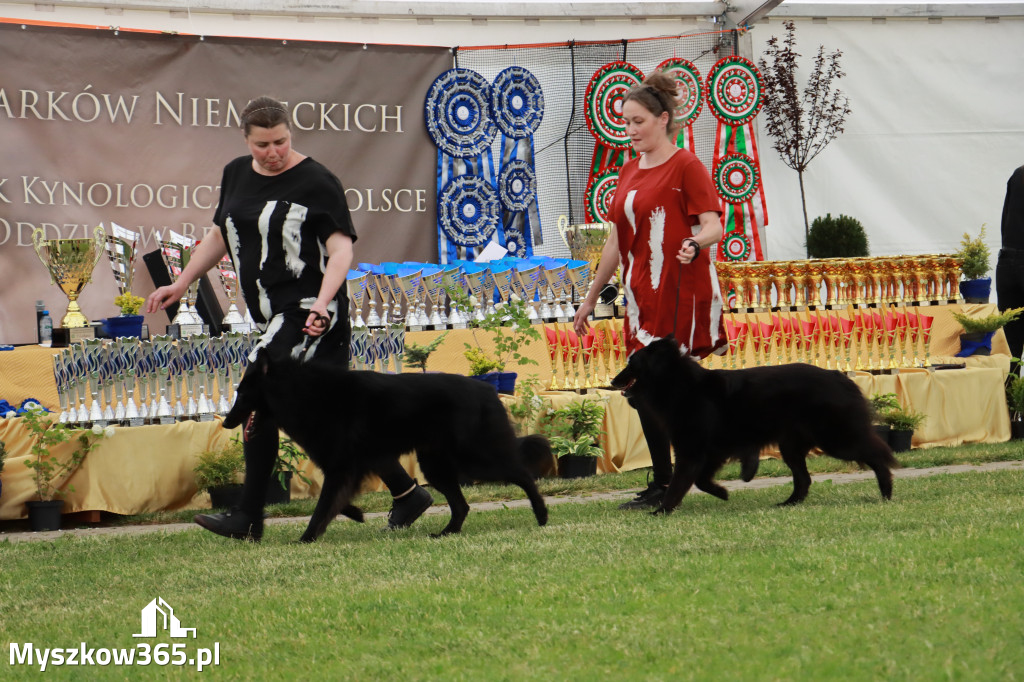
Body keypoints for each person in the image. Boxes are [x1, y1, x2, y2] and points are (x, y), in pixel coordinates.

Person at [145, 96, 432, 541]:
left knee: (259, 387)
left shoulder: (317, 181)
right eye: (262, 145)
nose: (273, 152)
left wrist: (321, 302)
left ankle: (247, 516)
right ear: (246, 140)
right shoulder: (235, 173)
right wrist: (182, 283)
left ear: (289, 133)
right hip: (272, 315)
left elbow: (342, 251)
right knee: (333, 419)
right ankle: (407, 492)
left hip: (311, 312)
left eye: (281, 141)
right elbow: (221, 233)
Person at [573, 72, 726, 510]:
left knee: (651, 391)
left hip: (679, 291)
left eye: (637, 121)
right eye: (625, 123)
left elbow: (714, 224)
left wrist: (695, 242)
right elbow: (618, 240)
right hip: (641, 294)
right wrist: (591, 296)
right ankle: (671, 478)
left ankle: (670, 481)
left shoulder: (687, 167)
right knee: (644, 393)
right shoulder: (628, 169)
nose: (630, 131)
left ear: (663, 119)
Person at [996, 164, 1024, 363]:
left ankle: (1009, 392)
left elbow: (1006, 217)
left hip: (1007, 260)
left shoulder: (1018, 174)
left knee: (1010, 341)